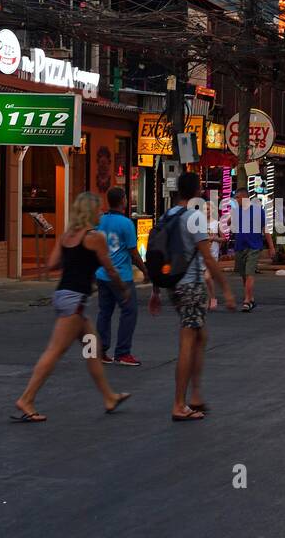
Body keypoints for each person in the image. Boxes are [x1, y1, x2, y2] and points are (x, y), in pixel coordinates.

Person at [13, 192, 132, 422]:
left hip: (65, 295)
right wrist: (123, 289)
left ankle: (109, 396)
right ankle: (26, 399)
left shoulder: (67, 236)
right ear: (89, 211)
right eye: (98, 209)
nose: (101, 213)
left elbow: (52, 264)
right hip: (74, 302)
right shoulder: (94, 237)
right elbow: (109, 268)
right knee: (54, 351)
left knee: (92, 347)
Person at [149, 173, 237, 421]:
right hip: (191, 286)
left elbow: (158, 254)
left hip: (173, 285)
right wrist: (226, 290)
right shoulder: (194, 217)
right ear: (197, 190)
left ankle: (196, 394)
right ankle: (179, 403)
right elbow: (208, 257)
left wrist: (156, 290)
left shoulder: (167, 216)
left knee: (200, 335)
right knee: (188, 340)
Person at [95, 187, 148, 367]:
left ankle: (101, 350)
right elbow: (134, 252)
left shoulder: (100, 221)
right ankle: (123, 352)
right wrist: (145, 270)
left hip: (102, 273)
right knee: (129, 311)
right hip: (121, 276)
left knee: (105, 312)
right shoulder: (126, 224)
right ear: (123, 200)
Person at [230, 186, 274, 312]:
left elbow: (265, 229)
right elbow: (229, 222)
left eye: (237, 197)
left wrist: (271, 247)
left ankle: (247, 300)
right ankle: (251, 298)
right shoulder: (236, 210)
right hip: (240, 246)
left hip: (254, 246)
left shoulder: (257, 210)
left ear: (244, 197)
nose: (235, 200)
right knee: (244, 274)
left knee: (249, 273)